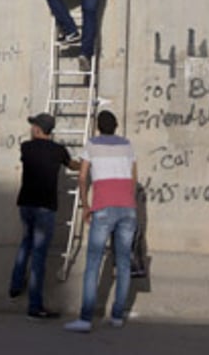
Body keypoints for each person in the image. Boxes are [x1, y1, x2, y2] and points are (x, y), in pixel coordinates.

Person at [64, 110, 138, 333]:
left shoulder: (92, 144)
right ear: (116, 126)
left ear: (98, 127)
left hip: (104, 207)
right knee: (123, 262)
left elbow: (83, 176)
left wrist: (86, 206)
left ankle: (86, 319)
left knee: (94, 262)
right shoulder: (127, 144)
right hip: (128, 208)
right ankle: (117, 316)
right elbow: (135, 178)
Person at [10, 112, 78, 320]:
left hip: (26, 204)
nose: (31, 129)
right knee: (39, 255)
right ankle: (35, 305)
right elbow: (72, 165)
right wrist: (85, 164)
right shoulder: (58, 151)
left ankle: (15, 286)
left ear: (39, 129)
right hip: (45, 207)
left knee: (26, 243)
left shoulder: (26, 147)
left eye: (33, 126)